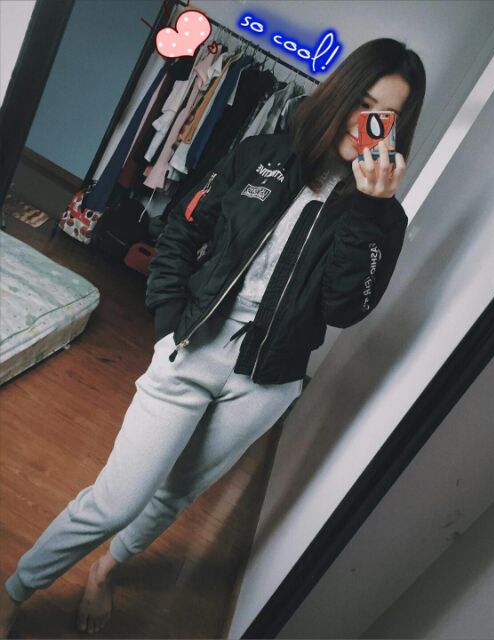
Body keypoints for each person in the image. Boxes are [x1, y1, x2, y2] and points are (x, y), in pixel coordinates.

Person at [0, 37, 426, 636]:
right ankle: (17, 590)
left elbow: (344, 308)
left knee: (174, 496)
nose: (369, 123)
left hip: (264, 383)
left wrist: (372, 213)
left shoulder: (383, 218)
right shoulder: (260, 154)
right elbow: (182, 229)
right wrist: (169, 320)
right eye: (363, 102)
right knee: (119, 499)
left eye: (388, 115)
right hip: (192, 350)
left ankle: (106, 570)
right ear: (340, 94)